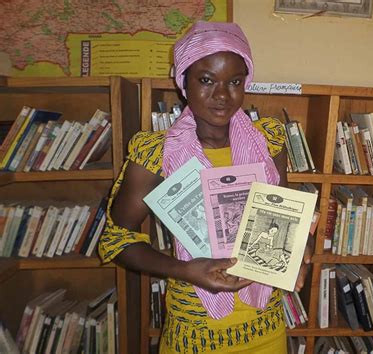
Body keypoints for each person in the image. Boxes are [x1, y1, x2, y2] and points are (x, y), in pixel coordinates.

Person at [98, 21, 313, 353]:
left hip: (266, 325)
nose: (222, 95)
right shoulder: (156, 154)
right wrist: (185, 270)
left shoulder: (268, 141)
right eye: (206, 80)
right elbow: (116, 240)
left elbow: (282, 217)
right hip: (197, 334)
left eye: (235, 82)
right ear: (182, 81)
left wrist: (300, 247)